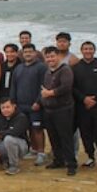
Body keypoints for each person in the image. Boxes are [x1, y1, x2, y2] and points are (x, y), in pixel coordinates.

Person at [73, 41, 97, 170]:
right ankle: (90, 156)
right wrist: (84, 99)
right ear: (81, 50)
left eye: (90, 49)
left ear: (94, 50)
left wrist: (95, 98)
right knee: (85, 133)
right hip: (82, 106)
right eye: (85, 49)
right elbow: (73, 87)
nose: (88, 51)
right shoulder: (76, 67)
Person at [40, 46, 77, 176]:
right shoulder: (47, 71)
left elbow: (66, 87)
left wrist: (51, 93)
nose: (50, 59)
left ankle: (71, 164)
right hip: (49, 109)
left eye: (52, 56)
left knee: (65, 137)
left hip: (63, 109)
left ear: (58, 57)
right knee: (53, 137)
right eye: (48, 57)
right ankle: (58, 160)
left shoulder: (65, 69)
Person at [10, 43, 48, 166]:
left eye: (30, 52)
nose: (28, 54)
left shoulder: (41, 67)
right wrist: (13, 102)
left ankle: (41, 153)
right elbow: (13, 86)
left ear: (35, 53)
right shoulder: (18, 68)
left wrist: (38, 102)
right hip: (21, 105)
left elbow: (44, 86)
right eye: (25, 52)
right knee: (27, 129)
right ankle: (33, 149)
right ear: (22, 54)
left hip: (35, 105)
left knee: (37, 129)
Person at [0, 100, 30, 175]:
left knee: (9, 139)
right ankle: (5, 161)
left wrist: (1, 133)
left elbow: (15, 132)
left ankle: (14, 166)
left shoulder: (21, 117)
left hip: (21, 145)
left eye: (8, 107)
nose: (5, 110)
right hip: (4, 144)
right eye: (3, 108)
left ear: (14, 107)